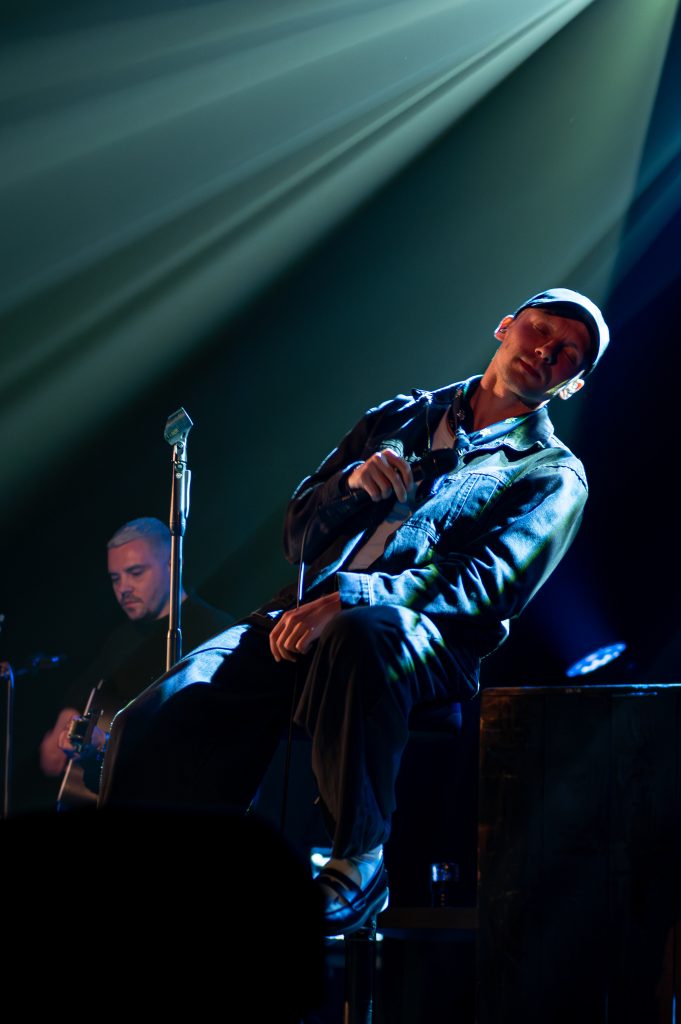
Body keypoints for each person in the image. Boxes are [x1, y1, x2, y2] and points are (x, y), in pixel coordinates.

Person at [98, 288, 609, 935]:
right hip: (302, 615)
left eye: (567, 353)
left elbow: (490, 584)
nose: (545, 351)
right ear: (505, 327)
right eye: (538, 329)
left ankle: (358, 863)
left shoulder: (552, 473)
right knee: (159, 715)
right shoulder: (399, 416)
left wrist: (355, 597)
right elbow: (296, 535)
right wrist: (349, 486)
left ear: (572, 384)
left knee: (361, 631)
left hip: (419, 640)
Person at [39, 517, 232, 786]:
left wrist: (107, 745)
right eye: (115, 579)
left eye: (136, 573)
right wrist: (65, 723)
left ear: (173, 564)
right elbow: (87, 689)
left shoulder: (216, 632)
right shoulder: (122, 637)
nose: (123, 588)